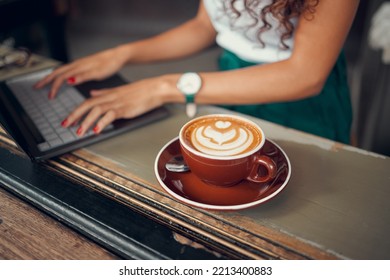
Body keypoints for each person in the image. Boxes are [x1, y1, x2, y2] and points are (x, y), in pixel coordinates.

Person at [34, 0, 359, 144]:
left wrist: (164, 87)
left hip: (297, 98)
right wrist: (123, 54)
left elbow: (305, 75)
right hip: (227, 78)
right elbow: (206, 25)